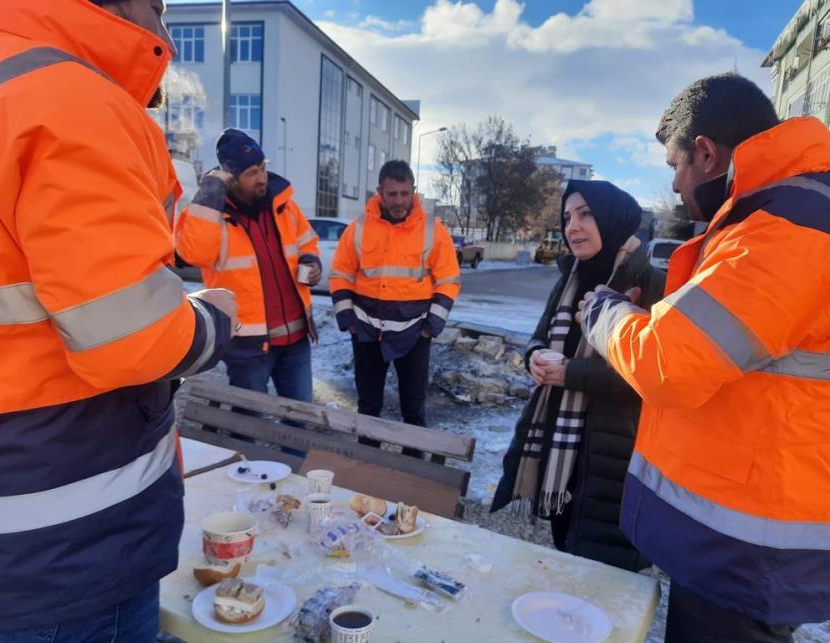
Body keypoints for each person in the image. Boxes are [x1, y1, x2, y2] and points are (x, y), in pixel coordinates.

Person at [0, 0, 237, 640]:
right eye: (160, 7)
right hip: (57, 546)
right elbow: (131, 337)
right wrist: (215, 322)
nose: (164, 28)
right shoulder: (62, 94)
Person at [579, 73, 830, 641]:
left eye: (674, 166)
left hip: (750, 542)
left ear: (706, 153)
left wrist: (605, 313)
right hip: (752, 528)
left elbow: (670, 362)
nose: (672, 187)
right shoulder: (793, 212)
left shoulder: (784, 229)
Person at [491, 181, 664, 572]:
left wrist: (573, 373)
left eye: (585, 214)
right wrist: (534, 355)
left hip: (614, 456)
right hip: (562, 448)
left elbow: (653, 375)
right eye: (567, 217)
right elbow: (538, 335)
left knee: (605, 575)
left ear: (612, 218)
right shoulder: (570, 278)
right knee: (567, 556)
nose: (573, 227)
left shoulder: (651, 283)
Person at [177, 129, 321, 405]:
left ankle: (293, 452)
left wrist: (311, 262)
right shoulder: (211, 214)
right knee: (248, 423)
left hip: (296, 339)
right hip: (247, 345)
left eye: (262, 168)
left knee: (301, 418)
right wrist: (210, 192)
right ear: (231, 179)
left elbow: (308, 242)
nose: (261, 178)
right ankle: (249, 453)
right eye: (251, 173)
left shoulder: (284, 206)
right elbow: (195, 254)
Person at [329, 160, 460, 456]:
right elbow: (340, 274)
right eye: (392, 194)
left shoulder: (433, 230)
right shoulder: (359, 228)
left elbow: (449, 280)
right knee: (368, 406)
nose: (399, 201)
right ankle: (366, 466)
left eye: (404, 193)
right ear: (380, 192)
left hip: (414, 333)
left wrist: (431, 328)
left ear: (414, 191)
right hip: (366, 330)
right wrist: (347, 317)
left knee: (413, 409)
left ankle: (412, 472)